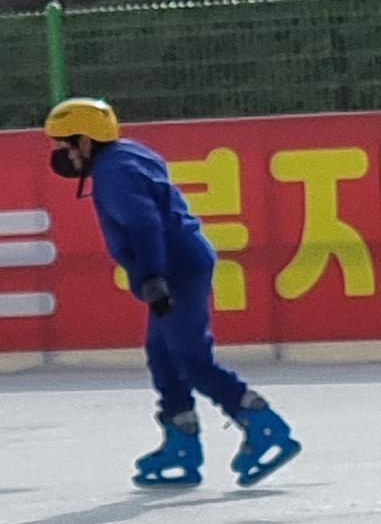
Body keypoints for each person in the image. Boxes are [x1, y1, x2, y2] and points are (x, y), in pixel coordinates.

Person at [42, 96, 301, 490]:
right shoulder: (128, 155)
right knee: (162, 355)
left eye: (64, 144)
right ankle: (181, 439)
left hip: (175, 269)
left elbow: (145, 225)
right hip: (177, 264)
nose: (61, 154)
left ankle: (262, 423)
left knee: (191, 359)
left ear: (86, 141)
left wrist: (152, 277)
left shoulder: (114, 173)